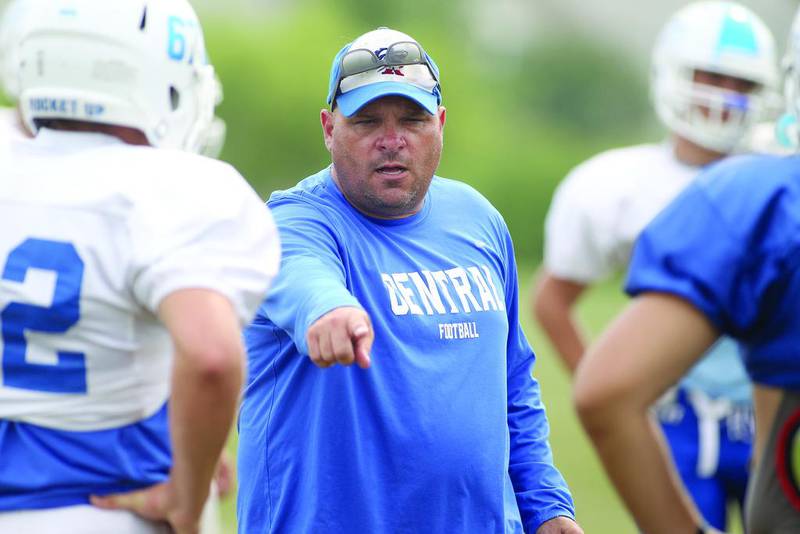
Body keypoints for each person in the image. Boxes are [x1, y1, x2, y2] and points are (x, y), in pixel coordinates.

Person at [237, 26, 582, 534]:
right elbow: (303, 277)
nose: (392, 140)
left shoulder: (478, 219)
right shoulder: (293, 222)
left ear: (440, 123)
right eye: (368, 121)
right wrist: (330, 311)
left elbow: (512, 381)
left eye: (413, 119)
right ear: (329, 129)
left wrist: (546, 505)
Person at [0, 1, 280, 534]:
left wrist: (182, 430)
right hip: (101, 506)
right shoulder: (175, 189)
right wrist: (187, 489)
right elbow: (212, 357)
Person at [532, 2, 778, 530]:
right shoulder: (617, 185)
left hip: (767, 407)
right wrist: (621, 394)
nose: (721, 94)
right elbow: (552, 300)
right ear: (672, 74)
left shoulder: (776, 182)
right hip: (674, 414)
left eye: (739, 81)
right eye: (708, 75)